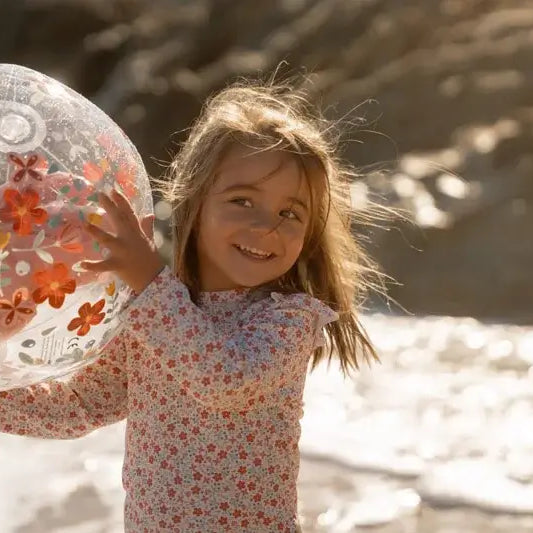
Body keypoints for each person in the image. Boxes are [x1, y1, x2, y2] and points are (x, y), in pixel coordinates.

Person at [0, 80, 386, 532]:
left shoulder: (290, 318)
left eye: (290, 213)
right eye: (242, 201)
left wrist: (148, 284)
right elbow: (77, 406)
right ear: (193, 203)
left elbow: (225, 378)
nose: (266, 226)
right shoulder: (153, 314)